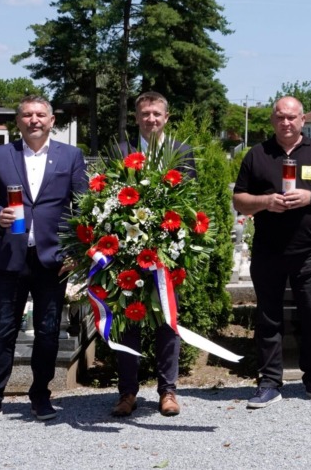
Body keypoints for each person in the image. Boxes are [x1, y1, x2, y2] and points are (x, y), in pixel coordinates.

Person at [0, 96, 87, 427]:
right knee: (3, 331)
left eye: (40, 115)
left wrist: (77, 252)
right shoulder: (2, 155)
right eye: (27, 115)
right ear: (17, 121)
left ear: (51, 120)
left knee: (48, 332)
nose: (34, 120)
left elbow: (84, 206)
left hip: (53, 260)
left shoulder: (71, 156)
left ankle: (40, 395)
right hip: (11, 259)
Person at [233, 96, 311, 408]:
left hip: (307, 251)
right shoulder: (257, 154)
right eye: (280, 117)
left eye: (292, 117)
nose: (286, 122)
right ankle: (269, 382)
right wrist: (266, 202)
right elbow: (239, 199)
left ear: (303, 119)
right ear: (272, 120)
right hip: (268, 250)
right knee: (268, 319)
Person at [112, 91, 196, 418]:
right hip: (129, 253)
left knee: (167, 322)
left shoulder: (181, 152)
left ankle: (168, 391)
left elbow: (189, 199)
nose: (151, 119)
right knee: (127, 322)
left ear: (166, 117)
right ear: (137, 118)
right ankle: (127, 393)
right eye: (145, 113)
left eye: (157, 114)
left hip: (166, 254)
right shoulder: (121, 153)